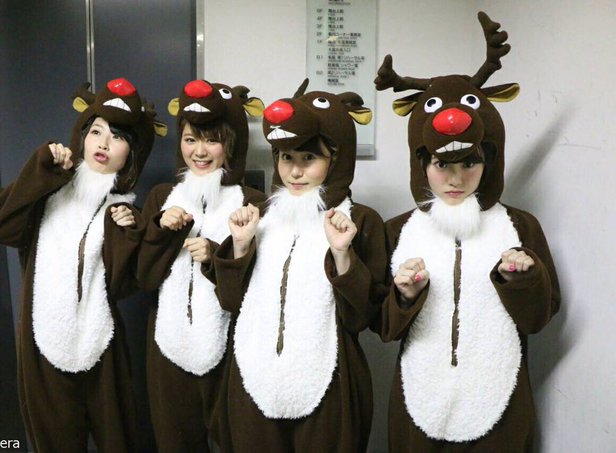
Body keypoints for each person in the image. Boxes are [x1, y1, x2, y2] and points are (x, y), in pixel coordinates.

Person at [374, 12, 561, 451]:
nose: (455, 179)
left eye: (470, 162)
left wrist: (522, 279)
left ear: (488, 160)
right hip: (419, 399)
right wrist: (404, 295)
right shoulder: (398, 231)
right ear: (423, 163)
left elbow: (539, 318)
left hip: (500, 399)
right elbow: (381, 327)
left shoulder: (520, 227)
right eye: (442, 164)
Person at [0, 78, 165, 452]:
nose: (103, 143)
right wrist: (40, 172)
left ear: (131, 152)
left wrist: (129, 234)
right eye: (96, 131)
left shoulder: (122, 212)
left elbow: (126, 285)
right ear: (82, 136)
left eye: (117, 137)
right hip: (42, 343)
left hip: (102, 345)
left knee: (119, 441)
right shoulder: (49, 190)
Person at [211, 80, 387, 452]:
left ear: (335, 159)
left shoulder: (361, 221)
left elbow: (362, 317)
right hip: (253, 375)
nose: (295, 171)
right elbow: (231, 302)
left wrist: (342, 254)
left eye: (309, 158)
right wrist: (240, 245)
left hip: (329, 381)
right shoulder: (259, 215)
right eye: (286, 157)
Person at [137, 79, 265, 452]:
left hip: (231, 349)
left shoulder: (253, 202)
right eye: (191, 139)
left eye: (212, 140)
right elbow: (143, 277)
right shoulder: (162, 197)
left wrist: (216, 255)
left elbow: (257, 291)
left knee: (238, 441)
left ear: (231, 144)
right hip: (167, 344)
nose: (200, 151)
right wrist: (161, 231)